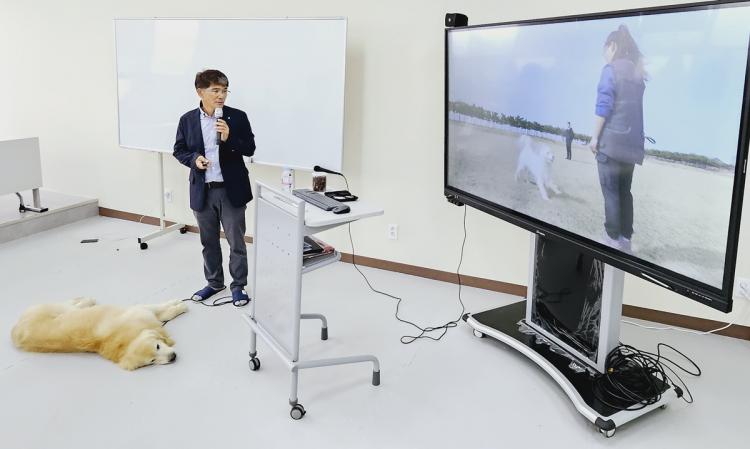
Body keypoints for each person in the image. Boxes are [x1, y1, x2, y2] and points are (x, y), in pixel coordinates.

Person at [173, 69, 256, 304]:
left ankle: (238, 285)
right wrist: (194, 160)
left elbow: (249, 148)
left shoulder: (237, 117)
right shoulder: (187, 120)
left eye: (225, 90)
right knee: (208, 242)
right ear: (200, 91)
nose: (221, 95)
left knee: (236, 242)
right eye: (215, 90)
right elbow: (179, 150)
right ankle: (214, 283)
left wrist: (230, 138)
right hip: (202, 190)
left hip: (231, 191)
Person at [589, 25, 646, 253]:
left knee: (611, 193)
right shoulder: (637, 74)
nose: (605, 54)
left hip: (611, 145)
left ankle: (612, 239)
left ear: (612, 46)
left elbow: (603, 106)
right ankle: (625, 240)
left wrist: (594, 138)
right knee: (624, 193)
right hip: (631, 148)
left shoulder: (610, 69)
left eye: (605, 49)